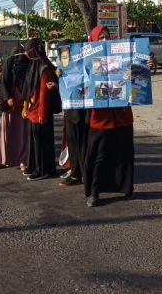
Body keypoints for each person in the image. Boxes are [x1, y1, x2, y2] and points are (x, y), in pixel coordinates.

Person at [83, 26, 135, 207]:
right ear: (94, 41)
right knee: (99, 156)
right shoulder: (87, 61)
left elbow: (130, 78)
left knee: (124, 154)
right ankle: (94, 192)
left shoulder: (121, 58)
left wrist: (143, 67)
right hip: (101, 119)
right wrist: (63, 73)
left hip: (122, 116)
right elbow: (79, 82)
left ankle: (127, 188)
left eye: (107, 37)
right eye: (101, 37)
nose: (105, 40)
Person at [21, 38, 60, 181]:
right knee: (35, 143)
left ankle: (44, 170)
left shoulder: (45, 67)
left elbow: (44, 94)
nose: (26, 53)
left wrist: (42, 113)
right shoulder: (35, 65)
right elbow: (28, 89)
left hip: (40, 112)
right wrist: (26, 107)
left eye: (28, 50)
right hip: (33, 111)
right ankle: (35, 167)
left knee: (43, 143)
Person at [56, 39, 89, 188]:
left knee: (81, 143)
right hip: (70, 109)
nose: (64, 56)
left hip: (83, 109)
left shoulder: (84, 62)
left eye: (66, 52)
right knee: (74, 144)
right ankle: (77, 172)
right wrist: (58, 76)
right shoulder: (62, 65)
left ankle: (81, 174)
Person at [0, 45, 31, 170]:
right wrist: (8, 96)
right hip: (10, 104)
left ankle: (23, 160)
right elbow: (4, 80)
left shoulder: (30, 63)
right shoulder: (10, 62)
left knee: (23, 134)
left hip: (24, 104)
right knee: (5, 132)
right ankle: (2, 159)